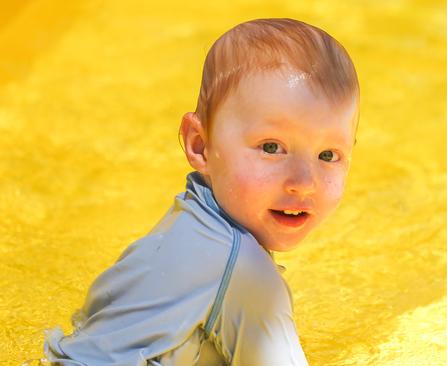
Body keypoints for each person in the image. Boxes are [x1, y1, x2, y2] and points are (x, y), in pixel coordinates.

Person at [38, 18, 359, 365]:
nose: (303, 180)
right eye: (271, 147)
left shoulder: (188, 222)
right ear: (200, 145)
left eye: (328, 155)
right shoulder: (245, 272)